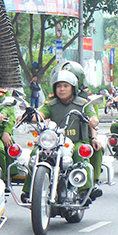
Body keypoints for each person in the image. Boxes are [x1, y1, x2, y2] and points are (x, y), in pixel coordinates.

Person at [21, 70, 100, 199]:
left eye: (65, 86)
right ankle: (29, 190)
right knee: (36, 154)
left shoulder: (83, 104)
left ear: (73, 87)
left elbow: (92, 116)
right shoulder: (51, 105)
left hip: (76, 141)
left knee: (80, 153)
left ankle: (84, 191)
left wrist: (93, 120)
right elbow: (40, 115)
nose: (61, 89)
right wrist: (29, 116)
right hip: (55, 142)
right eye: (59, 86)